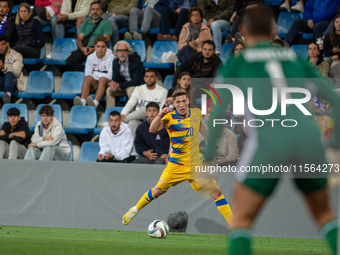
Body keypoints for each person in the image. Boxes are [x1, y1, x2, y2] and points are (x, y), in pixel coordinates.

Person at [205, 5, 340, 255]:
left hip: (268, 143)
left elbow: (217, 112)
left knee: (241, 221)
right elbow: (337, 102)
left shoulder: (238, 63)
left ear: (243, 31)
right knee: (325, 215)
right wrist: (334, 147)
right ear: (274, 30)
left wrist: (207, 157)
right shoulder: (294, 59)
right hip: (308, 141)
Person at [122, 89, 233, 227]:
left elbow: (202, 129)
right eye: (178, 102)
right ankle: (134, 210)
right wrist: (161, 114)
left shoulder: (196, 114)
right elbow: (152, 129)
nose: (181, 104)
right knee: (157, 191)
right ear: (174, 103)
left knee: (217, 192)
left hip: (195, 165)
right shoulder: (169, 117)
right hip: (176, 166)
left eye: (183, 101)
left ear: (188, 101)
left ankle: (235, 224)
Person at [120, 68, 168, 138]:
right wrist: (123, 114)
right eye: (147, 76)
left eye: (151, 76)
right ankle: (133, 147)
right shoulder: (138, 89)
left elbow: (161, 108)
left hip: (154, 119)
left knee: (146, 109)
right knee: (132, 123)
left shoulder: (163, 91)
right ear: (144, 78)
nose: (149, 79)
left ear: (156, 78)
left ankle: (120, 121)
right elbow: (130, 103)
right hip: (139, 117)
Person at [66, 2, 112, 71]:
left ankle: (91, 73)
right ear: (90, 11)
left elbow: (106, 40)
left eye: (97, 9)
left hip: (98, 49)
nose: (95, 11)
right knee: (70, 61)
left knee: (97, 63)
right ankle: (88, 72)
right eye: (93, 9)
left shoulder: (106, 23)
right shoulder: (85, 23)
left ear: (101, 11)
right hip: (84, 48)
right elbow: (79, 39)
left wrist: (94, 49)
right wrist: (83, 49)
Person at [73, 35, 114, 107]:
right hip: (95, 84)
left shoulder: (111, 58)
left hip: (107, 85)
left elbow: (110, 76)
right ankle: (82, 102)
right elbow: (88, 73)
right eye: (98, 46)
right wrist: (99, 75)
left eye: (103, 47)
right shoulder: (90, 57)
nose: (100, 49)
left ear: (106, 47)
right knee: (88, 78)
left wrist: (96, 74)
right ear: (94, 47)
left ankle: (95, 103)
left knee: (102, 79)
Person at [106, 40, 145, 108]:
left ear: (128, 52)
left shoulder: (136, 62)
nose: (122, 53)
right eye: (119, 51)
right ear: (116, 52)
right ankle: (111, 114)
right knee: (109, 90)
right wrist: (113, 84)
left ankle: (134, 114)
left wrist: (119, 85)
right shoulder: (115, 62)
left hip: (136, 86)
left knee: (130, 90)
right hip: (123, 86)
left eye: (124, 50)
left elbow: (136, 81)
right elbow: (115, 79)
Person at [0, 34, 23, 104]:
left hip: (12, 83)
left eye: (2, 44)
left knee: (9, 73)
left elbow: (16, 72)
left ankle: (7, 94)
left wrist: (4, 68)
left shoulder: (16, 55)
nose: (0, 47)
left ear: (7, 44)